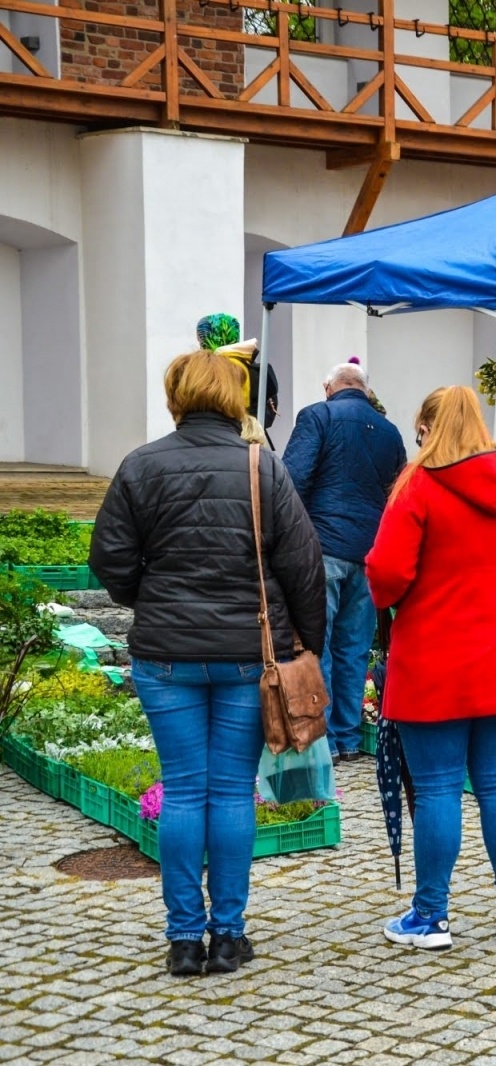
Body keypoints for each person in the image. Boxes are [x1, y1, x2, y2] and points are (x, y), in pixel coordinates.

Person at [89, 350, 325, 977]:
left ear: (177, 395)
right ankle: (227, 936)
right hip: (249, 656)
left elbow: (109, 559)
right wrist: (309, 646)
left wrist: (152, 599)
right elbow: (303, 566)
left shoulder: (140, 465)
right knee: (230, 791)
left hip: (166, 657)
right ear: (235, 397)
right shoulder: (263, 466)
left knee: (185, 790)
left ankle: (183, 939)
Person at [366, 385, 496, 951]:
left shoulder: (417, 484)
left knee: (438, 788)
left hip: (433, 655)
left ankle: (431, 916)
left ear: (426, 427)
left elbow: (386, 574)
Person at [283, 362, 408, 763]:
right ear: (365, 391)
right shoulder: (389, 431)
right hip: (369, 553)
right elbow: (397, 493)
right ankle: (348, 738)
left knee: (316, 645)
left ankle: (322, 742)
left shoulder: (317, 416)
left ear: (328, 387)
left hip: (322, 548)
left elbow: (291, 481)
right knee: (354, 649)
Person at [197, 312, 279, 447]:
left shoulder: (214, 371)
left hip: (221, 442)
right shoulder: (249, 366)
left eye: (200, 340)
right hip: (250, 441)